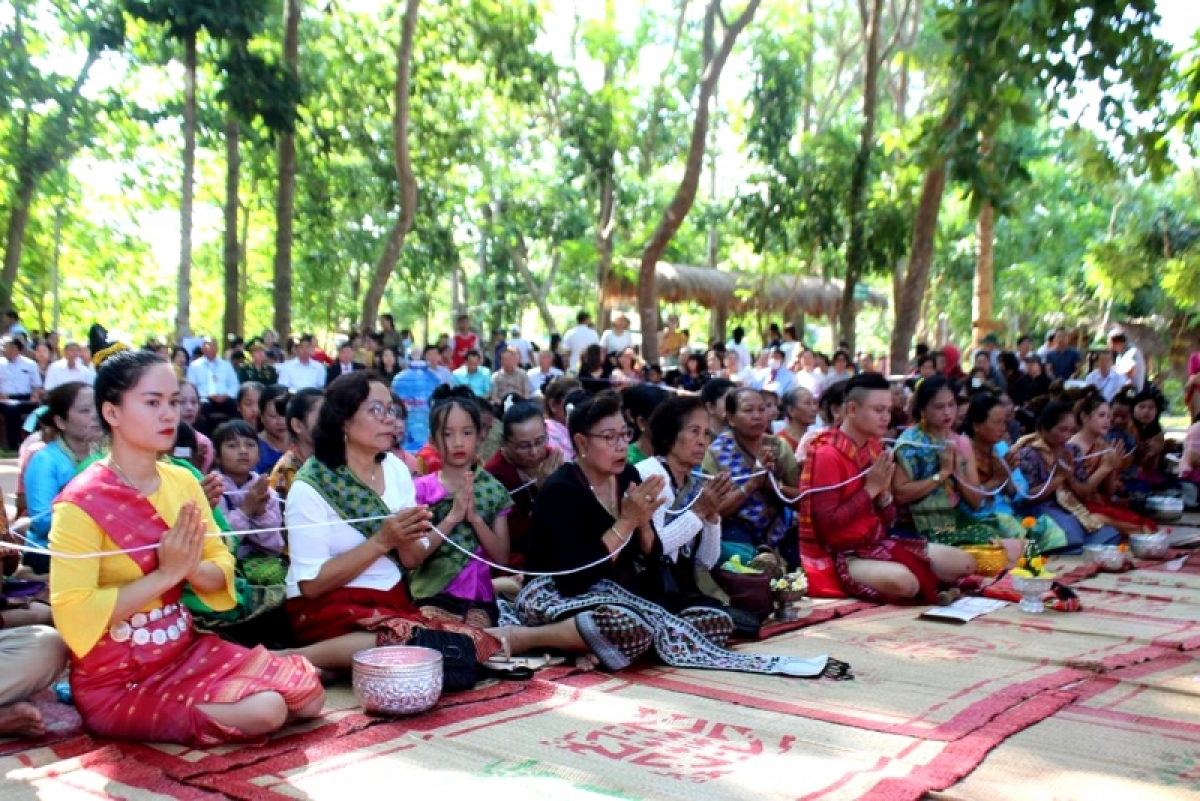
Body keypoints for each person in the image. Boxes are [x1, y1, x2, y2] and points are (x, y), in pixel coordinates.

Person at [49, 343, 323, 744]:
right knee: (268, 709)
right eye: (152, 402)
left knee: (308, 695)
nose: (168, 414)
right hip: (118, 677)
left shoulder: (182, 481)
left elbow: (221, 565)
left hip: (183, 648)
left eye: (173, 401)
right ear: (112, 413)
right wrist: (168, 574)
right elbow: (73, 612)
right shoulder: (81, 503)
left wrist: (190, 568)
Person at [515, 391, 845, 678]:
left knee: (715, 621)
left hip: (623, 593)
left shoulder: (628, 476)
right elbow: (576, 577)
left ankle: (597, 646)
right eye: (609, 438)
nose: (620, 445)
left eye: (623, 435)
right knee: (628, 627)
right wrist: (630, 521)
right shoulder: (562, 490)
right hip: (560, 596)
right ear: (582, 442)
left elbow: (652, 554)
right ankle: (530, 637)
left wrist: (702, 516)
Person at [281, 372, 574, 673]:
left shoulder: (395, 469)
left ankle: (331, 667)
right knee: (407, 644)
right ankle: (295, 656)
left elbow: (411, 558)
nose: (390, 420)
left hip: (391, 603)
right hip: (329, 608)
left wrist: (417, 533)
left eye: (391, 409)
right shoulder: (311, 485)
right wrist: (382, 541)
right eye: (376, 410)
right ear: (343, 419)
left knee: (468, 645)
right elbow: (312, 585)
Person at [800, 373, 975, 603]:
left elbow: (887, 520)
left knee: (965, 563)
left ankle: (927, 582)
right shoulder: (827, 455)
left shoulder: (874, 449)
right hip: (843, 556)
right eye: (878, 410)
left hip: (875, 543)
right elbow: (826, 527)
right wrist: (870, 490)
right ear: (852, 409)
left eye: (888, 411)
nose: (886, 418)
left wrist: (883, 498)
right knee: (905, 583)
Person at [405, 398, 513, 627]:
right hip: (433, 590)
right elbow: (412, 557)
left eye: (466, 433)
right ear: (433, 440)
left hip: (479, 595)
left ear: (480, 436)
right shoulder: (420, 491)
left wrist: (474, 518)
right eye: (447, 434)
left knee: (475, 641)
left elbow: (502, 557)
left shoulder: (494, 490)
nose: (458, 443)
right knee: (436, 636)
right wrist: (453, 517)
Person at [892, 377, 1008, 547]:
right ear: (923, 409)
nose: (947, 412)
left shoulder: (961, 442)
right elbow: (900, 495)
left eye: (951, 404)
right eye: (939, 407)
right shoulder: (910, 443)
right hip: (918, 524)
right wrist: (943, 473)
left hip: (954, 517)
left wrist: (957, 471)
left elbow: (976, 502)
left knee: (1000, 539)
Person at [636, 396, 736, 592]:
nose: (702, 442)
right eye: (694, 432)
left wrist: (712, 516)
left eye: (706, 433)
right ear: (668, 435)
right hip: (652, 588)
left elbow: (706, 561)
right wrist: (699, 511)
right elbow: (657, 549)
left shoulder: (694, 482)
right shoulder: (649, 475)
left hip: (683, 585)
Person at [702, 388, 801, 564]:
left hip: (779, 528)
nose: (757, 416)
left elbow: (801, 500)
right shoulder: (716, 452)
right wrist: (752, 483)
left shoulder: (778, 446)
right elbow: (713, 510)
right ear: (730, 418)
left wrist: (772, 486)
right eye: (748, 410)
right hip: (735, 531)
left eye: (762, 409)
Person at [1008, 402, 1121, 553]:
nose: (1067, 436)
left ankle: (1075, 545)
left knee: (1110, 534)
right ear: (1044, 428)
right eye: (1062, 430)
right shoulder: (1029, 453)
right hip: (1039, 509)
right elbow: (1027, 497)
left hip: (1065, 507)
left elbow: (1084, 493)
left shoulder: (1071, 450)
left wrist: (1072, 477)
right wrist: (1059, 477)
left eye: (1071, 431)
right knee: (1069, 532)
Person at [23, 383, 102, 573]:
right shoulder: (45, 461)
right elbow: (41, 523)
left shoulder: (107, 456)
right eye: (85, 410)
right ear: (60, 422)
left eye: (97, 407)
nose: (95, 416)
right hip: (50, 553)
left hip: (97, 548)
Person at [484, 399, 563, 569]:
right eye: (523, 446)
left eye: (540, 441)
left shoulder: (552, 459)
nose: (534, 452)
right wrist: (543, 493)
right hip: (516, 560)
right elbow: (517, 540)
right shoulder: (494, 477)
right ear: (505, 442)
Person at [1066, 394, 1155, 536]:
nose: (1107, 421)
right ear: (1085, 417)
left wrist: (1114, 468)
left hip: (1099, 502)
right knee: (1138, 529)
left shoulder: (1102, 444)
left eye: (1108, 416)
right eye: (1101, 416)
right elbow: (1081, 493)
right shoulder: (1072, 447)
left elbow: (1108, 492)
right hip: (1077, 505)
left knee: (1145, 526)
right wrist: (1105, 467)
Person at [213, 420, 287, 585]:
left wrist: (261, 514)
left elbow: (275, 547)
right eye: (232, 446)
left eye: (250, 445)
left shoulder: (266, 490)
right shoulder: (213, 489)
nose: (243, 451)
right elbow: (220, 542)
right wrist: (246, 510)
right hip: (220, 561)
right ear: (217, 456)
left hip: (259, 562)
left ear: (259, 454)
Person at [268, 388, 324, 501]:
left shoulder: (335, 459)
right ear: (297, 425)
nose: (330, 422)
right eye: (322, 417)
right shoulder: (285, 470)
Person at [0, 337, 44, 450]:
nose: (3, 349)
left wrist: (35, 395)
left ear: (15, 349)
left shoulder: (30, 364)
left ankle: (33, 444)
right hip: (5, 398)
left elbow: (37, 386)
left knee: (39, 410)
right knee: (11, 409)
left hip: (26, 398)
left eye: (6, 347)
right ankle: (14, 445)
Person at [186, 337, 240, 427]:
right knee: (204, 407)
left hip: (224, 398)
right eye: (207, 345)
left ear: (217, 348)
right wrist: (208, 395)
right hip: (204, 398)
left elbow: (234, 385)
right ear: (202, 348)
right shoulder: (195, 366)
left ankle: (234, 432)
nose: (210, 348)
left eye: (213, 345)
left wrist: (226, 395)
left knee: (234, 406)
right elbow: (192, 386)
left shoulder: (226, 365)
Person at [623, 383, 669, 465]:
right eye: (661, 420)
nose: (668, 426)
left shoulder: (675, 455)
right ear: (641, 422)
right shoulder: (627, 460)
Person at [178, 381, 215, 472]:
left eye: (194, 402)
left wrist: (197, 466)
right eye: (182, 402)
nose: (189, 408)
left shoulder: (203, 442)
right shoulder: (159, 439)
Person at [256, 384, 292, 475]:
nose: (281, 422)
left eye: (285, 414)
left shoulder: (303, 442)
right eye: (273, 416)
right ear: (261, 416)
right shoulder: (253, 445)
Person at [778, 387, 818, 455]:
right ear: (791, 410)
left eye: (814, 403)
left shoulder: (816, 437)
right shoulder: (780, 442)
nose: (814, 408)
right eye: (807, 403)